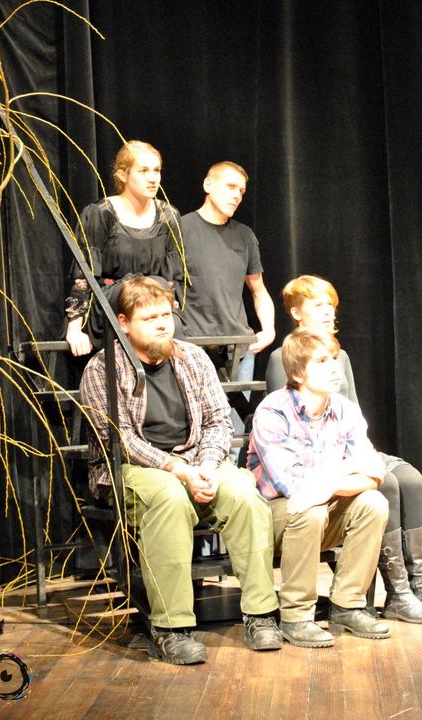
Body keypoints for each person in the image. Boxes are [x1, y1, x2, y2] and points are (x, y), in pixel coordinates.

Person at [79, 275, 282, 665]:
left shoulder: (192, 358)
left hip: (196, 460)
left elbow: (218, 421)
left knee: (243, 493)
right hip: (132, 469)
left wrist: (205, 466)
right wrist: (178, 470)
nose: (162, 324)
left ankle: (260, 614)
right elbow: (119, 439)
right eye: (149, 318)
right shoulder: (103, 369)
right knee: (169, 497)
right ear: (124, 323)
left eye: (165, 315)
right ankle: (171, 628)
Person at [266, 275, 422, 623]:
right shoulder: (284, 358)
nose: (328, 312)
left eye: (331, 305)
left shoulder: (341, 356)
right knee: (386, 487)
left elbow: (351, 412)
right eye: (319, 305)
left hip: (347, 447)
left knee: (411, 480)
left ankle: (420, 583)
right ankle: (396, 590)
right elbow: (294, 421)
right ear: (296, 312)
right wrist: (350, 467)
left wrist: (360, 458)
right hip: (318, 458)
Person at [248, 329, 391, 646]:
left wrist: (330, 485)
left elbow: (374, 469)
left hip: (321, 505)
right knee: (310, 510)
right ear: (298, 373)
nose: (334, 368)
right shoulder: (273, 411)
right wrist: (345, 469)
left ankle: (347, 605)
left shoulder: (344, 409)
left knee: (373, 503)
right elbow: (294, 485)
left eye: (335, 359)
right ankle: (296, 616)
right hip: (275, 516)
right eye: (322, 361)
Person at [66, 140, 184, 356]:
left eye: (157, 170)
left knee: (168, 312)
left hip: (155, 302)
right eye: (143, 171)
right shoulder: (101, 213)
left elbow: (171, 279)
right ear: (122, 175)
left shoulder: (169, 215)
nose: (153, 178)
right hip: (113, 301)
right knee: (146, 291)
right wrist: (74, 328)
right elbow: (83, 276)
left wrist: (173, 317)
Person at [180, 161, 275, 384]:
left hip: (239, 350)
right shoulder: (180, 229)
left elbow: (258, 290)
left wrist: (269, 330)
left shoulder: (245, 236)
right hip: (193, 347)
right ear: (208, 185)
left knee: (237, 408)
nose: (237, 196)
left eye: (241, 191)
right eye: (231, 187)